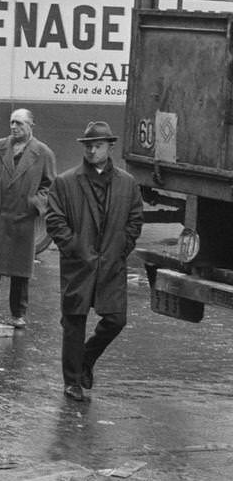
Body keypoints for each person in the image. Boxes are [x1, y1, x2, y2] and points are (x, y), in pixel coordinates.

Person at [45, 121, 143, 402]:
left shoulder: (127, 183)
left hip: (111, 263)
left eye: (97, 146)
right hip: (79, 263)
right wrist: (73, 247)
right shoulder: (66, 182)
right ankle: (72, 382)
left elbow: (135, 219)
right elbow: (54, 219)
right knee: (73, 322)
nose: (91, 151)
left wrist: (121, 248)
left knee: (116, 320)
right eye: (88, 146)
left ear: (110, 147)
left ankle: (86, 359)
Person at [0, 108, 56, 327]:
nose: (14, 127)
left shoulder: (43, 153)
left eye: (19, 123)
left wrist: (34, 204)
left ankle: (18, 314)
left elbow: (49, 186)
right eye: (12, 122)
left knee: (20, 270)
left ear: (30, 125)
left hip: (23, 217)